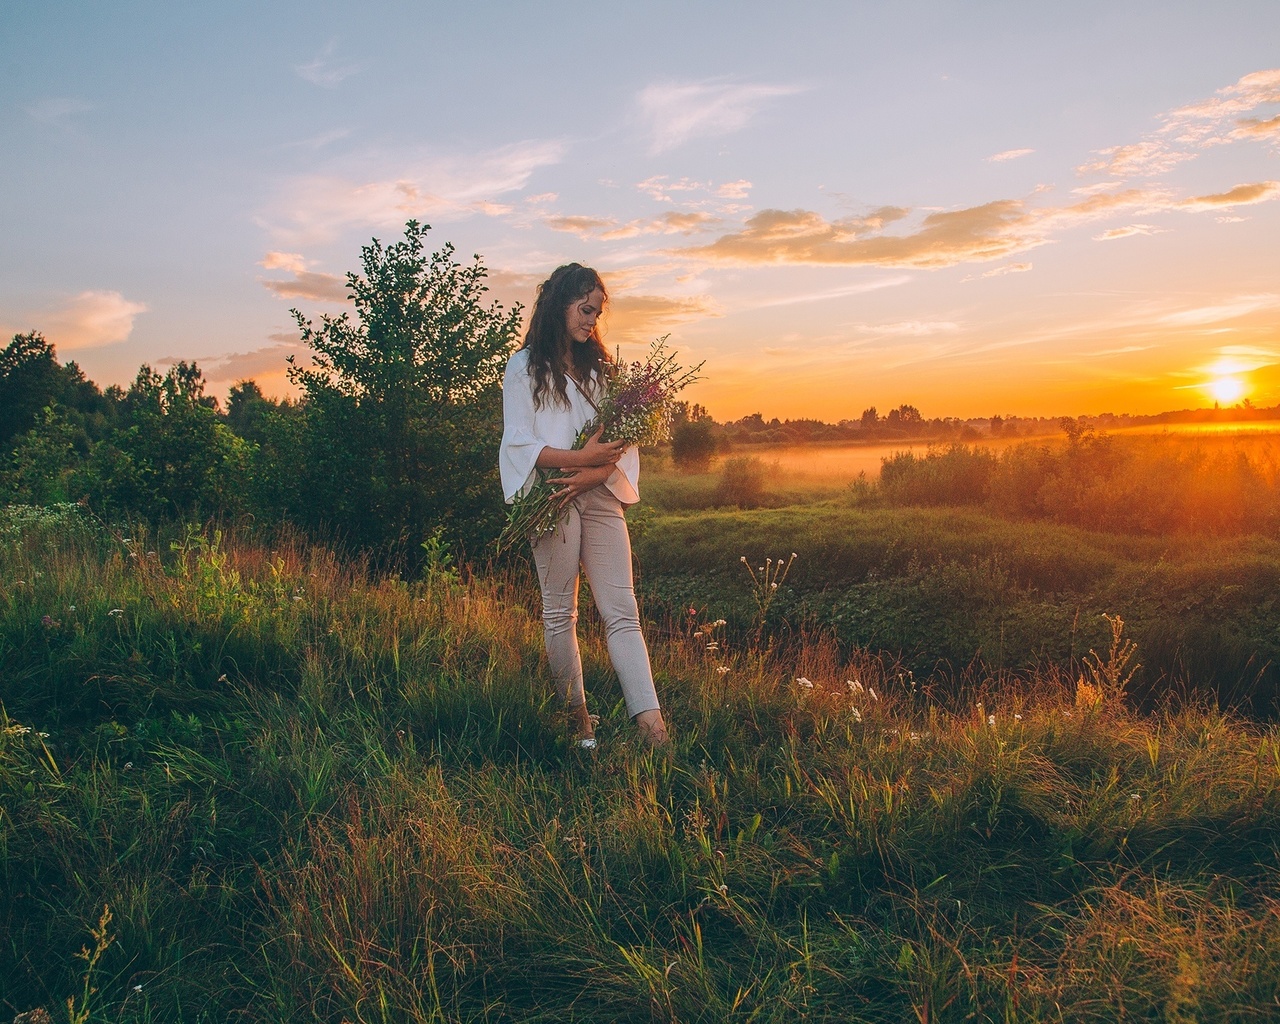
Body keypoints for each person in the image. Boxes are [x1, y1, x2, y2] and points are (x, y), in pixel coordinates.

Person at [499, 263, 669, 748]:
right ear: (559, 304)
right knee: (560, 614)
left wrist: (592, 472)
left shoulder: (600, 370)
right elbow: (520, 444)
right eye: (583, 309)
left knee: (622, 611)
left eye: (596, 313)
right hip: (549, 496)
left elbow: (621, 442)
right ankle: (579, 726)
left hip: (598, 493)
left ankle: (654, 731)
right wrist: (578, 463)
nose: (591, 320)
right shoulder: (525, 367)